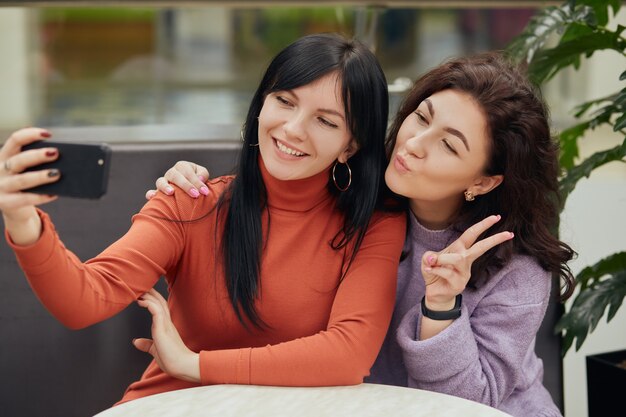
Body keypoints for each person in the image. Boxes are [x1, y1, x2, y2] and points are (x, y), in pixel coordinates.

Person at [153, 52, 576, 417]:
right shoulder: (356, 205)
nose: (414, 144)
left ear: (483, 182)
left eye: (449, 145)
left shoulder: (517, 269)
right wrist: (195, 190)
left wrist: (442, 310)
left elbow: (468, 404)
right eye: (422, 118)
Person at [0, 34, 408, 404]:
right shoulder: (191, 201)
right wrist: (23, 220)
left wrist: (193, 364)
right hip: (171, 406)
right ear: (262, 102)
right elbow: (82, 301)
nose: (293, 128)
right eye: (284, 101)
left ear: (350, 145)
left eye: (325, 120)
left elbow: (347, 355)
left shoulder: (374, 223)